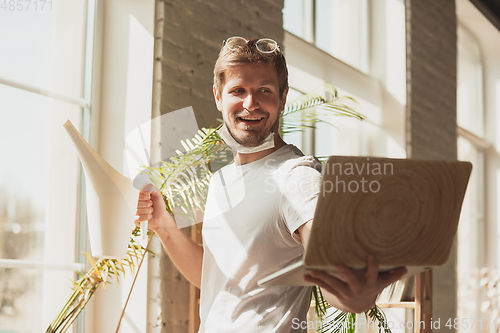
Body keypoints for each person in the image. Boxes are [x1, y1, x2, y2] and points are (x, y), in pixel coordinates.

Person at [135, 36, 407, 332]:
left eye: (263, 91)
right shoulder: (221, 181)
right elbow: (219, 277)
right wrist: (164, 226)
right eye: (238, 90)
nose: (250, 104)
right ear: (218, 96)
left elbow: (334, 278)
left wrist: (355, 298)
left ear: (283, 97)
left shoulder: (298, 177)